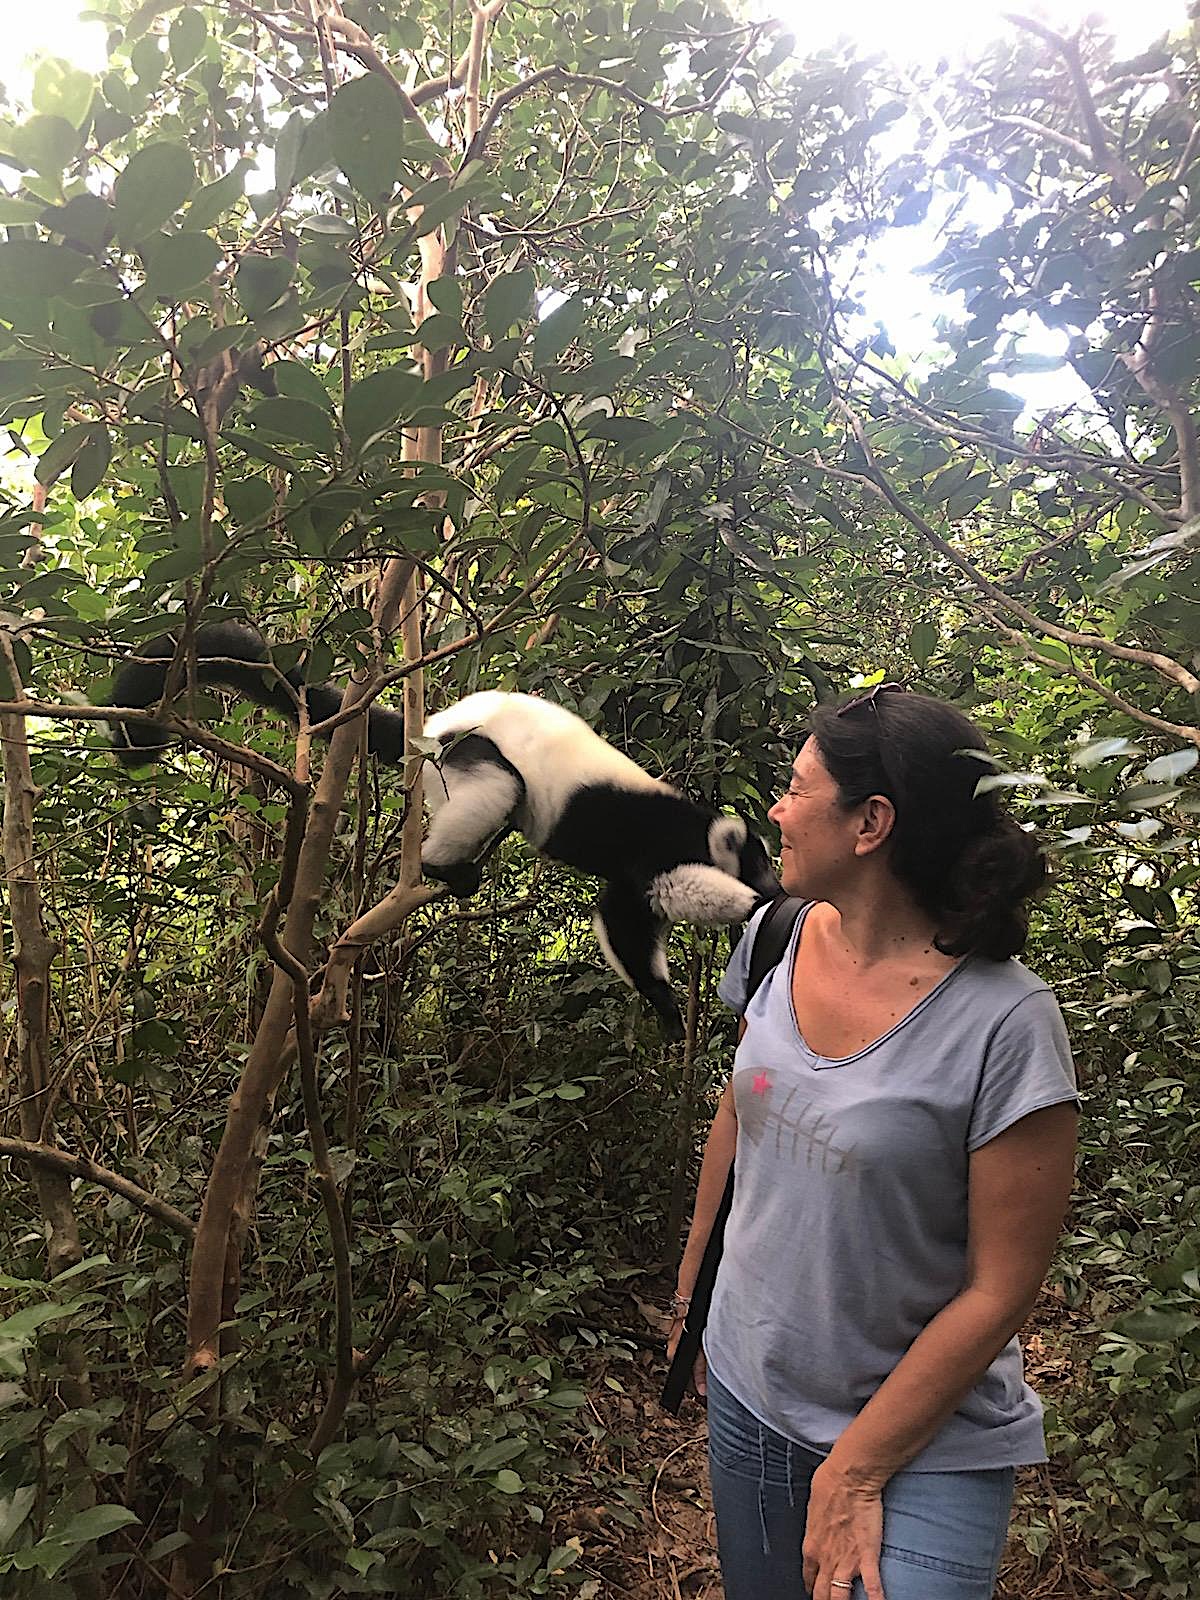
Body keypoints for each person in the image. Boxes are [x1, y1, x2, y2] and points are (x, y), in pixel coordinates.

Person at [666, 685, 1079, 1600]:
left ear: (871, 823)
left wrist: (854, 1471)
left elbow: (1002, 1287)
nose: (773, 811)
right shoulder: (777, 936)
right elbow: (743, 1107)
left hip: (925, 1440)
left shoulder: (1008, 1022)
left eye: (795, 787)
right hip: (750, 1386)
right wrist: (695, 1292)